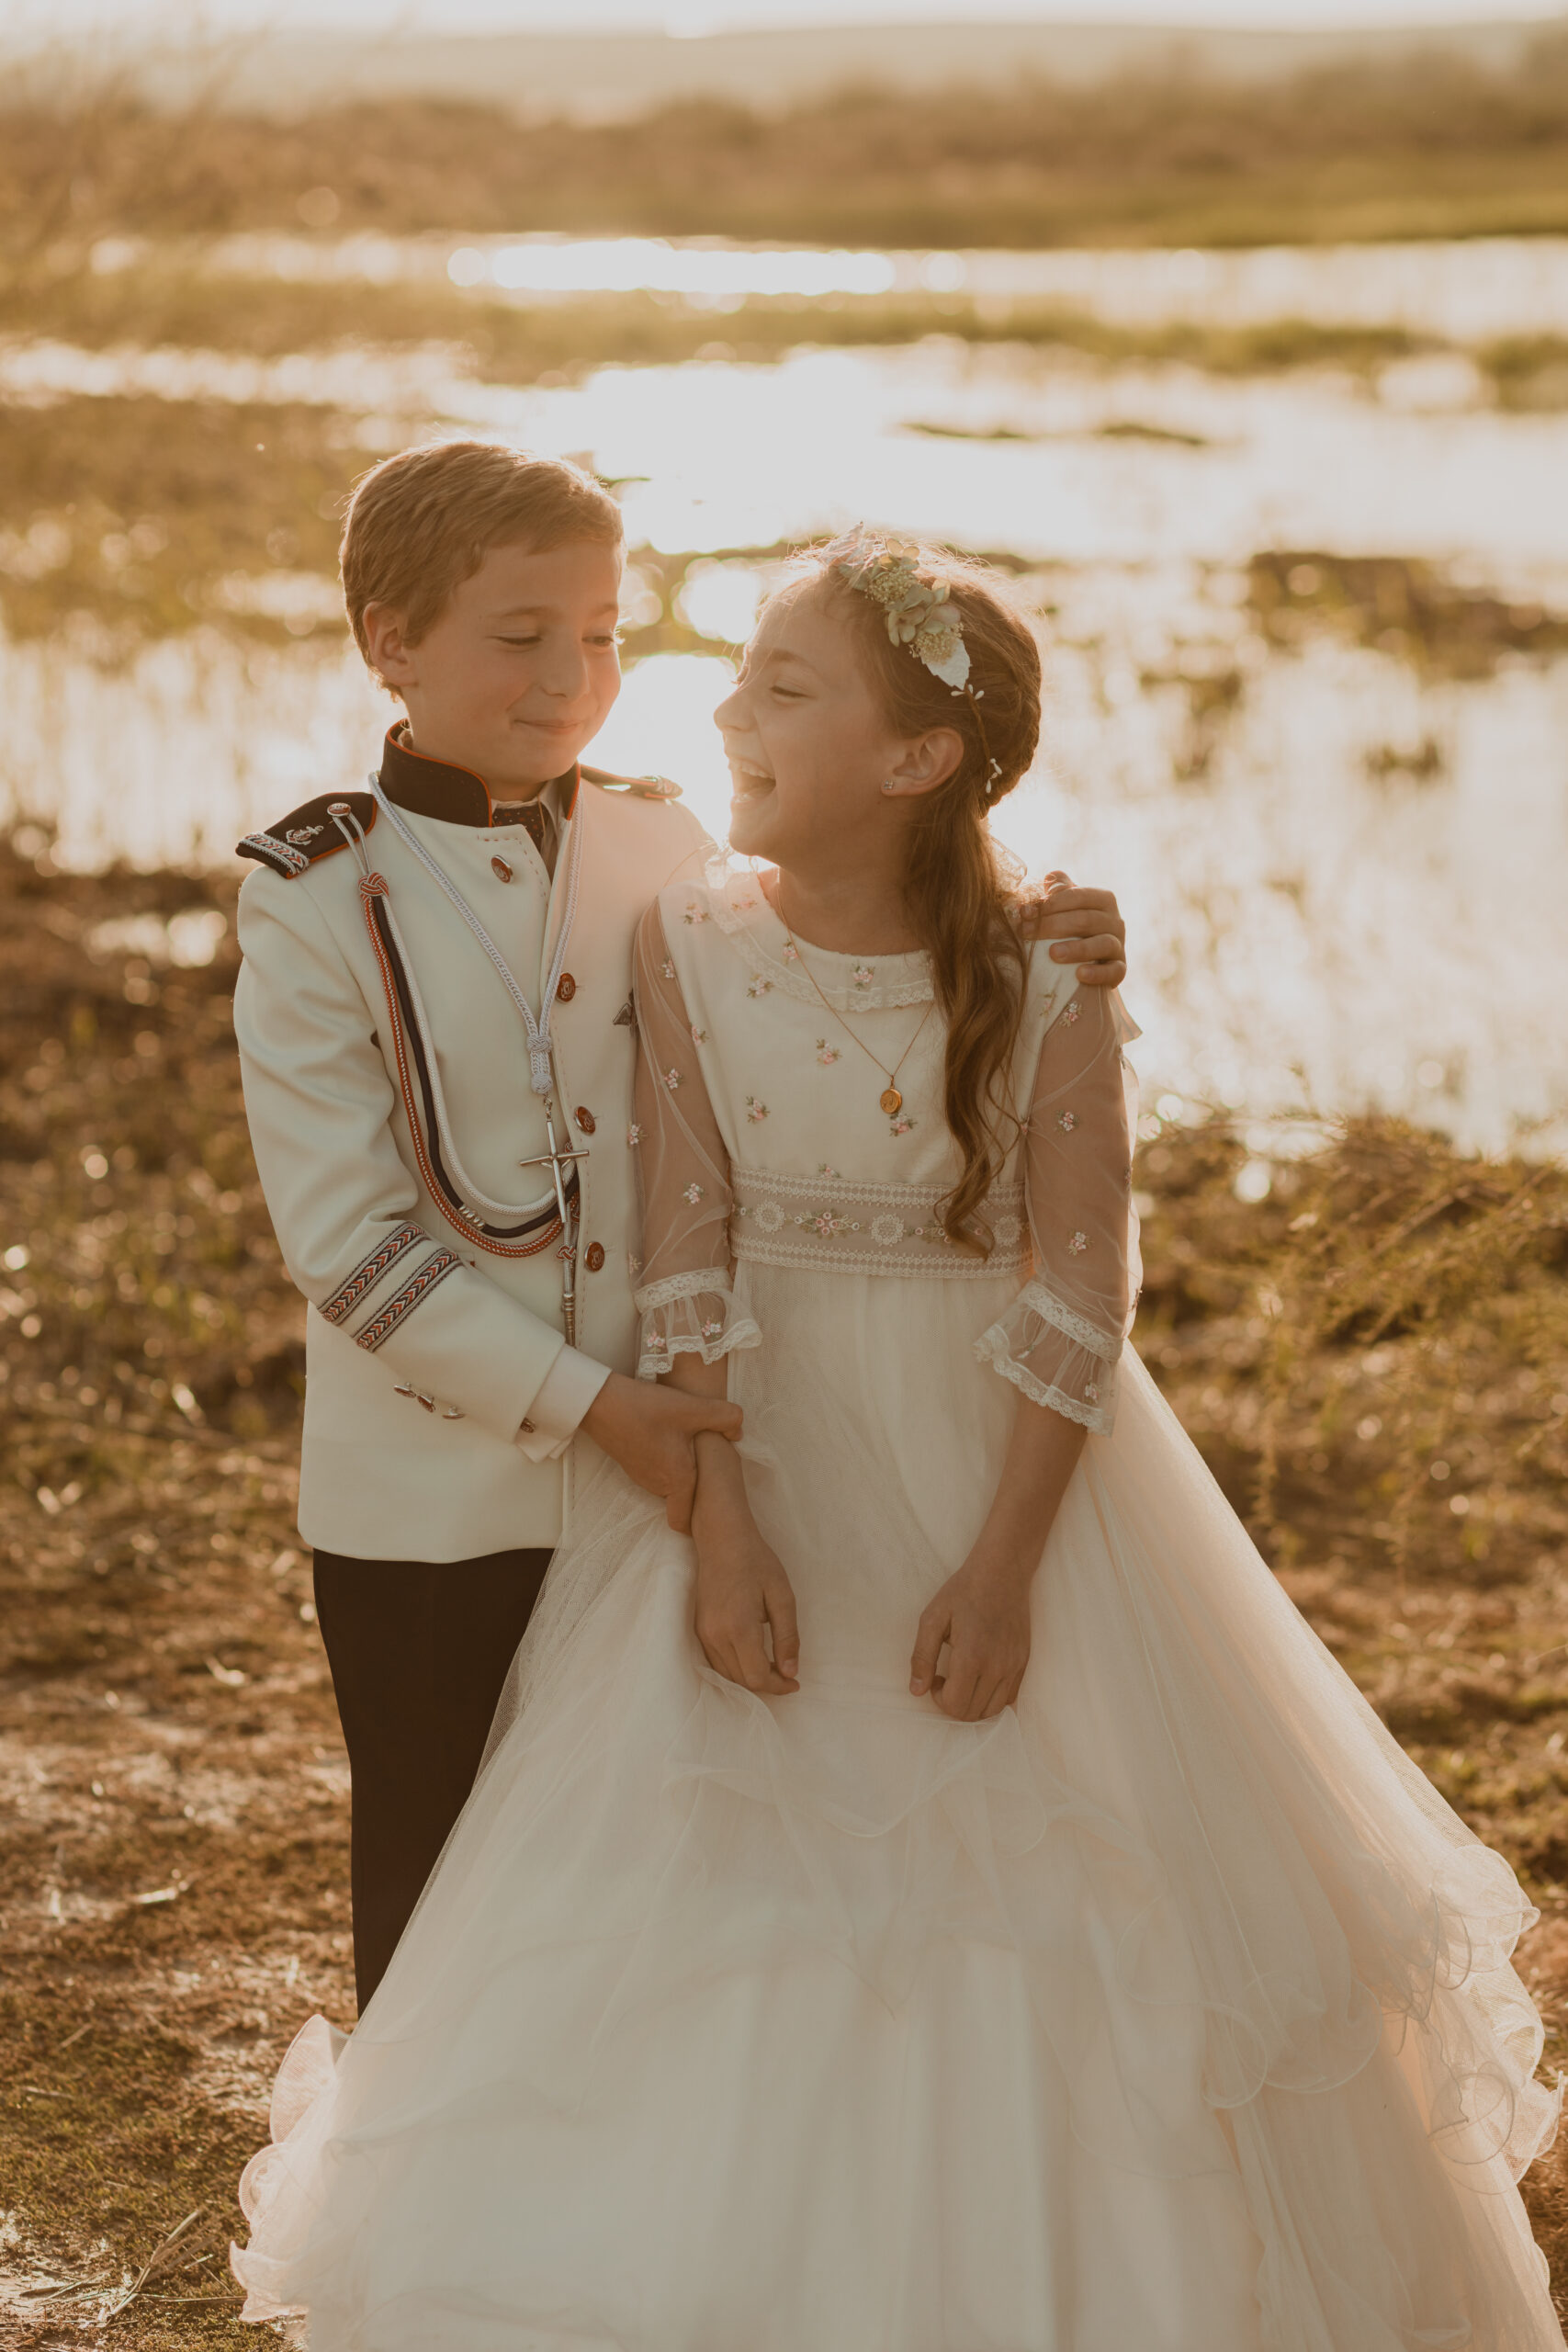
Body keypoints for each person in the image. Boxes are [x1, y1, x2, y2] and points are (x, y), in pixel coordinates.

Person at [231, 531, 1562, 2349]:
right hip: (745, 1450)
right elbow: (684, 1242)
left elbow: (1076, 1288)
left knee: (1059, 1875)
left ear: (920, 755)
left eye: (780, 683)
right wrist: (717, 1518)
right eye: (733, 673)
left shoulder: (1031, 969)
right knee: (683, 1853)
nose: (714, 699)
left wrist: (1005, 1562)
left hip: (997, 1462)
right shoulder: (665, 915)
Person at [231, 447, 1130, 2014]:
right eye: (521, 636)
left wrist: (1056, 912)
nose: (573, 677)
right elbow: (351, 1245)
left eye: (602, 633)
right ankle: (417, 2242)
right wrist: (599, 1408)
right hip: (441, 1494)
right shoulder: (320, 897)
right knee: (437, 1887)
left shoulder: (667, 849)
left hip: (690, 1474)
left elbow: (871, 924)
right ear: (393, 642)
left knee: (656, 1894)